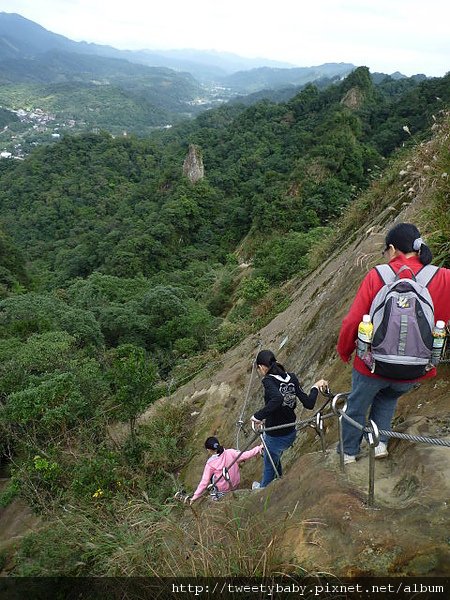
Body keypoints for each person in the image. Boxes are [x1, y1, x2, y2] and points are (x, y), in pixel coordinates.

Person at [337, 222, 450, 464]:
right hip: (415, 368)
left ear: (392, 248)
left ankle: (348, 453)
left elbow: (353, 321)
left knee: (356, 405)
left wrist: (345, 351)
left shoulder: (379, 275)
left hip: (372, 364)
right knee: (388, 397)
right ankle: (379, 445)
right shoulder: (444, 277)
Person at [250, 349, 328, 489]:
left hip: (275, 435)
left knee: (269, 464)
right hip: (290, 432)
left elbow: (277, 399)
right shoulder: (291, 377)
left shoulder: (268, 381)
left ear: (261, 367)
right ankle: (278, 479)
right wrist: (315, 387)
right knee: (274, 457)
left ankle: (262, 491)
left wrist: (257, 416)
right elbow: (309, 404)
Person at [189, 436, 263, 504]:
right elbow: (246, 455)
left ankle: (216, 498)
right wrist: (259, 448)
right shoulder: (230, 452)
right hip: (235, 483)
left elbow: (204, 482)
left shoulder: (210, 463)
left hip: (224, 490)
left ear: (209, 450)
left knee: (211, 482)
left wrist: (195, 497)